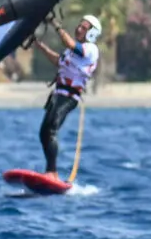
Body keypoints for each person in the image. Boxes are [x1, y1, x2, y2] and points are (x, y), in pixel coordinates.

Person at [32, 14, 101, 176]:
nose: (78, 28)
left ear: (92, 33)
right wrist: (39, 46)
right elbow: (58, 61)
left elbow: (69, 43)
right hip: (57, 94)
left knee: (51, 131)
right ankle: (50, 171)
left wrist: (54, 23)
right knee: (43, 133)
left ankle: (52, 172)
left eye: (84, 28)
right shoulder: (71, 52)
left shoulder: (91, 49)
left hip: (69, 97)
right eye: (79, 25)